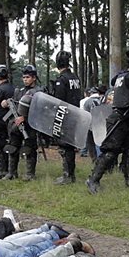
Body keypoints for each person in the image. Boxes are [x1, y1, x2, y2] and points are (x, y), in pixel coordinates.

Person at [87, 51, 129, 193]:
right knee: (110, 151)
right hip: (119, 118)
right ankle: (93, 180)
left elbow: (114, 82)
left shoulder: (122, 76)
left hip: (124, 118)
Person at [52, 51, 83, 185]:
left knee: (65, 146)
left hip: (65, 115)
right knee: (69, 145)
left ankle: (68, 176)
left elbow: (59, 100)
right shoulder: (75, 78)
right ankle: (70, 175)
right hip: (75, 113)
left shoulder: (62, 79)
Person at [7, 65, 40, 180]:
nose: (25, 79)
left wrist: (24, 118)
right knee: (13, 147)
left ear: (34, 78)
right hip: (16, 125)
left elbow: (39, 109)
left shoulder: (38, 92)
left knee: (29, 149)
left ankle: (30, 174)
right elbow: (15, 106)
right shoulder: (19, 91)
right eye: (24, 77)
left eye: (28, 77)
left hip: (30, 125)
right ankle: (12, 173)